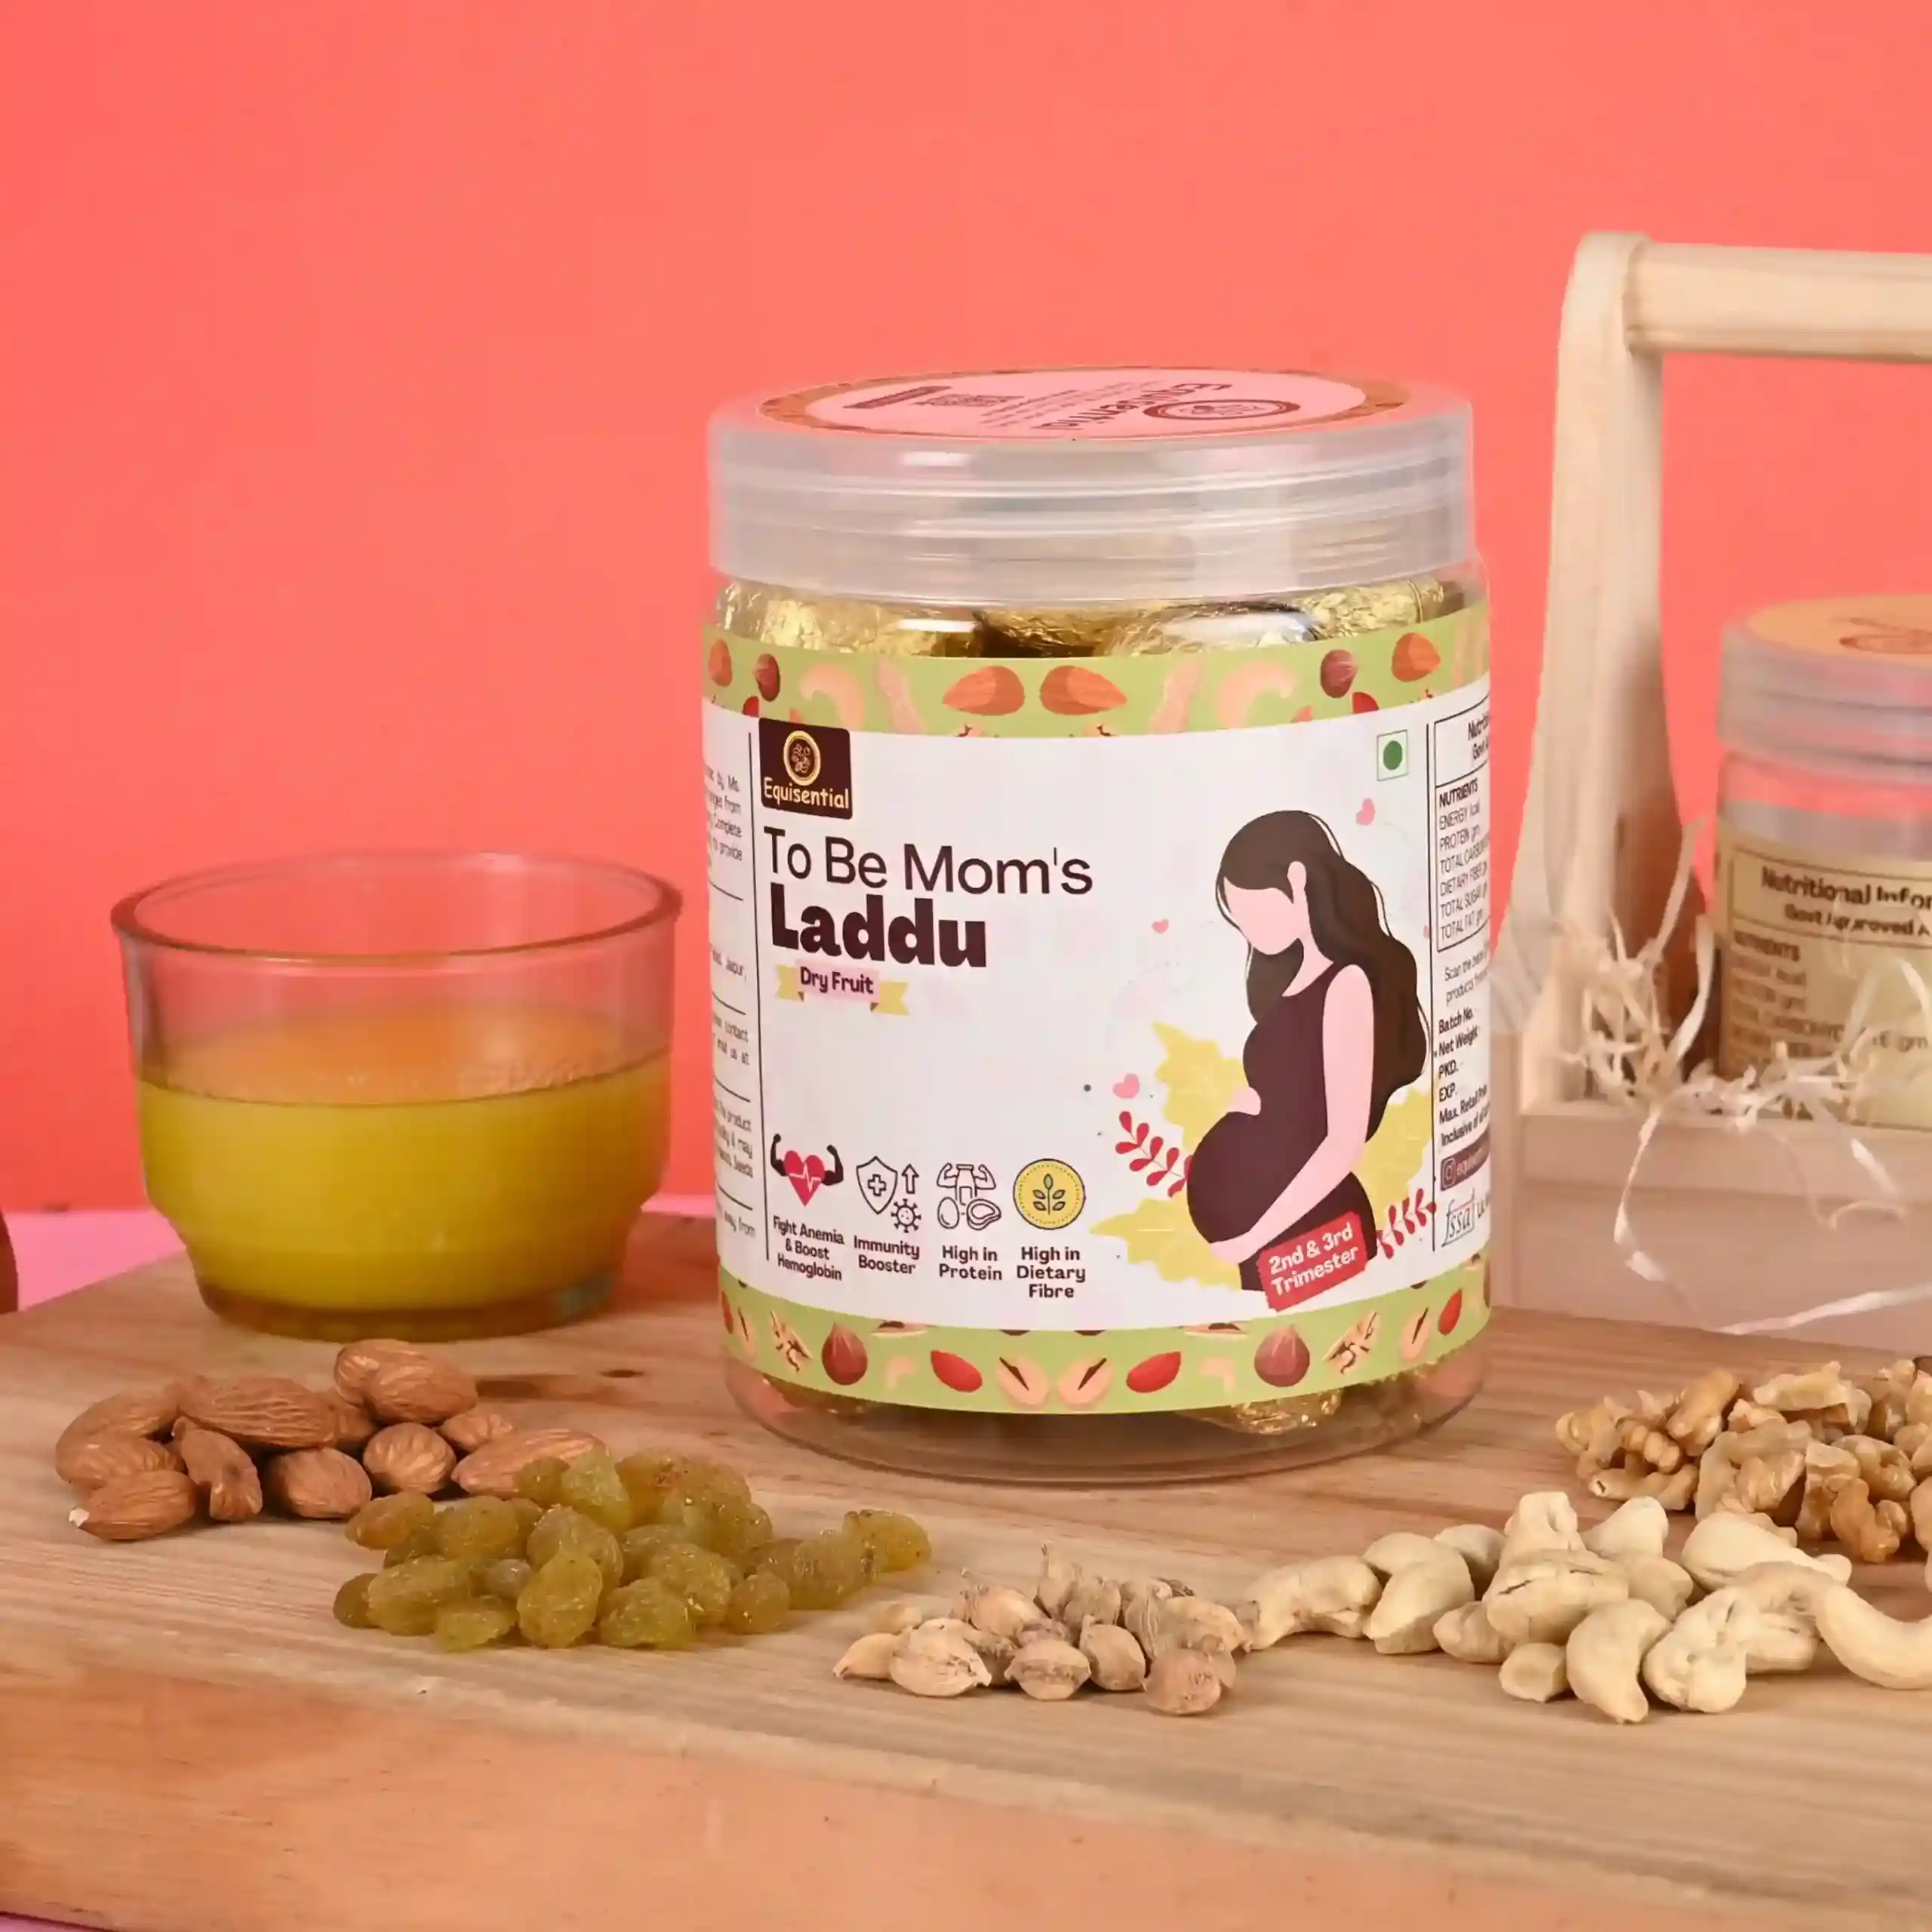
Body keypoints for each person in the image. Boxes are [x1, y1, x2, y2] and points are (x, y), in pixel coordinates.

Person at [1186, 811, 1427, 1297]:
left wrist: (1253, 1237)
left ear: (1297, 880)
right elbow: (1300, 1091)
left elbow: (1342, 1143)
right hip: (1278, 1230)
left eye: (1251, 909)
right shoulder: (1295, 982)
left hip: (1308, 1227)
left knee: (1323, 1338)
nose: (1248, 930)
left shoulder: (1347, 984)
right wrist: (1254, 1108)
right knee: (1273, 1343)